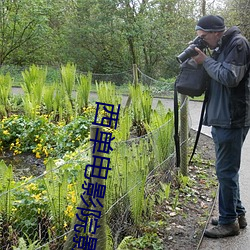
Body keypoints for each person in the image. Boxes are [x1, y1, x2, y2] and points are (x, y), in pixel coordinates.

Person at [192, 15, 250, 238]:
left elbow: (229, 77)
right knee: (227, 171)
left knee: (225, 171)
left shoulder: (238, 44)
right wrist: (202, 60)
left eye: (204, 37)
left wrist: (205, 61)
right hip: (222, 117)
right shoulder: (221, 46)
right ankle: (237, 214)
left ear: (216, 32)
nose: (203, 41)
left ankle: (228, 223)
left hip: (232, 118)